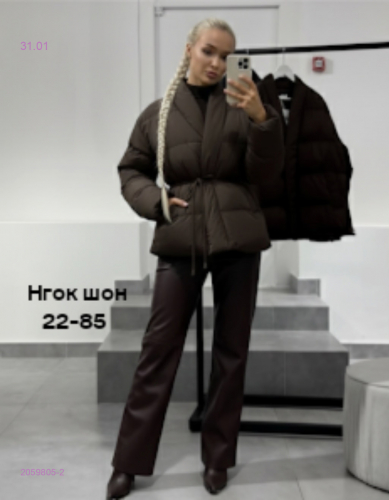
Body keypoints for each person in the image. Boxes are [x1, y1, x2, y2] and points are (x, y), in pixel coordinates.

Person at [106, 17, 284, 499]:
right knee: (158, 349)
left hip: (238, 237)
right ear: (189, 49)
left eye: (226, 56)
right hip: (181, 234)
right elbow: (131, 170)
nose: (217, 63)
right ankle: (128, 463)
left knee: (232, 352)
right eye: (209, 51)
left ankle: (218, 458)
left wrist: (262, 121)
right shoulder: (156, 114)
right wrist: (156, 203)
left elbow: (267, 175)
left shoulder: (249, 105)